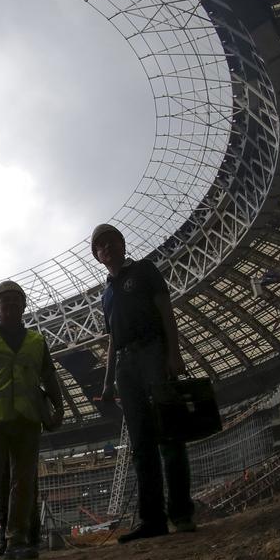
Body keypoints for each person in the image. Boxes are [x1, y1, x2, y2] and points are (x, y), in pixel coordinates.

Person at [90, 223, 195, 542]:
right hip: (125, 365)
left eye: (111, 242)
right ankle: (153, 520)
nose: (106, 248)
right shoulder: (106, 293)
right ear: (97, 256)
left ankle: (181, 513)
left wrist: (173, 354)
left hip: (152, 352)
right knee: (141, 445)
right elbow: (112, 339)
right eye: (100, 246)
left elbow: (166, 310)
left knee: (169, 434)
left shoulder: (145, 269)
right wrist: (108, 383)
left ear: (122, 244)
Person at [0, 280, 64, 560]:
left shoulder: (37, 341)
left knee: (23, 481)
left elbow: (49, 377)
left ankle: (16, 540)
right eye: (4, 301)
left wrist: (60, 407)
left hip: (28, 421)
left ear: (23, 306)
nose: (9, 305)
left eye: (15, 300)